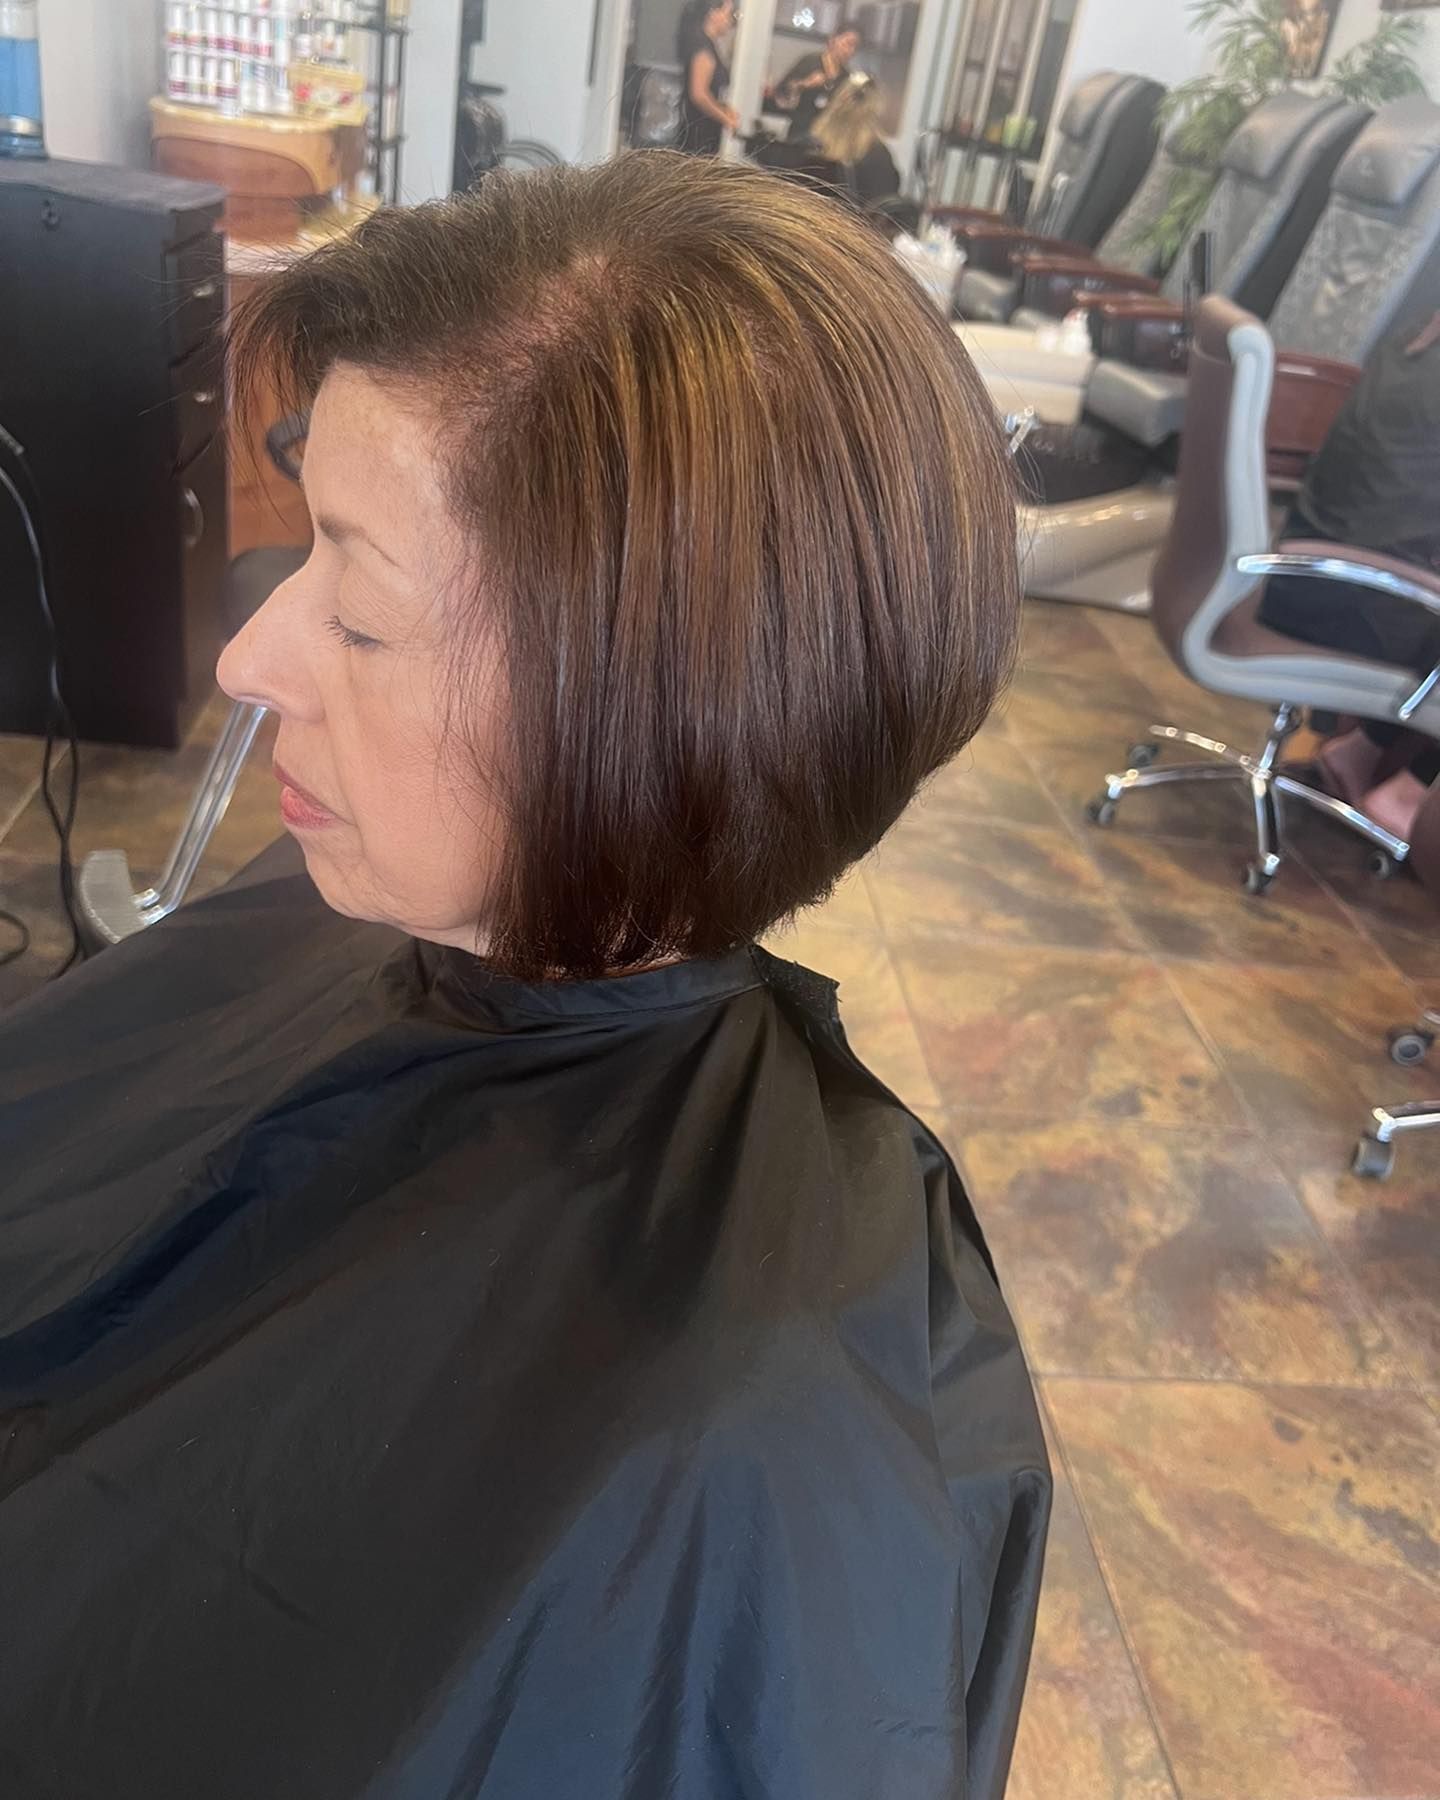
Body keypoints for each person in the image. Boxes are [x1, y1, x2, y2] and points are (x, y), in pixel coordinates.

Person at [0, 155, 1048, 1799]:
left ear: (661, 711)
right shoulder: (343, 913)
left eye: (358, 608)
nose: (250, 659)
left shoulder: (738, 1452)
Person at [1259, 308, 1440, 842]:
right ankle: (1410, 791)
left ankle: (1363, 750)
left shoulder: (1413, 339)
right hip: (1358, 599)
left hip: (1299, 576)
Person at [812, 71, 900, 207]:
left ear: (837, 100)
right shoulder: (878, 155)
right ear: (875, 109)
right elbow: (883, 207)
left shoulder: (810, 146)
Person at [773, 19, 862, 142]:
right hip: (799, 133)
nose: (850, 51)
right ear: (832, 40)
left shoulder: (846, 77)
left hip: (827, 138)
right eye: (848, 44)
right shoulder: (810, 62)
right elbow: (781, 92)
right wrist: (805, 84)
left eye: (855, 47)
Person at [676, 0, 738, 155]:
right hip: (699, 132)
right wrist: (725, 118)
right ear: (713, 13)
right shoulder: (702, 49)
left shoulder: (705, 45)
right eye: (727, 14)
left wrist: (724, 109)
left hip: (701, 129)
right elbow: (699, 94)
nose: (730, 21)